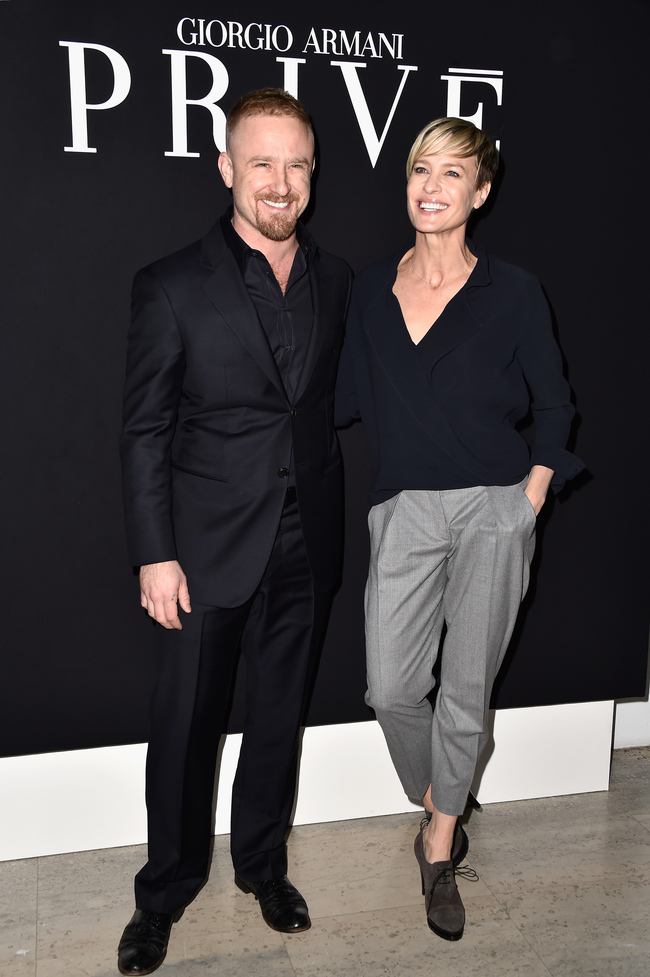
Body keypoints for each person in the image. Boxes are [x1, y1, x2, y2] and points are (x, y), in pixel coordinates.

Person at [118, 88, 352, 975]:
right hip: (203, 546)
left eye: (296, 164)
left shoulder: (338, 280)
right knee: (185, 726)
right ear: (226, 168)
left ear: (313, 173)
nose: (280, 181)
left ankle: (263, 864)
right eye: (261, 162)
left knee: (279, 716)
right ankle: (164, 892)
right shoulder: (171, 284)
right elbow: (144, 430)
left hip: (306, 539)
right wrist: (154, 552)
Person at [335, 117, 584, 942]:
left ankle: (439, 846)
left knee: (467, 687)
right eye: (421, 170)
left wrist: (530, 498)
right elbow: (337, 399)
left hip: (495, 505)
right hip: (405, 504)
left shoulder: (513, 290)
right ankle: (442, 794)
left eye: (452, 173)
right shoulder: (369, 289)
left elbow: (556, 403)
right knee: (391, 687)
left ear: (480, 192)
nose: (432, 187)